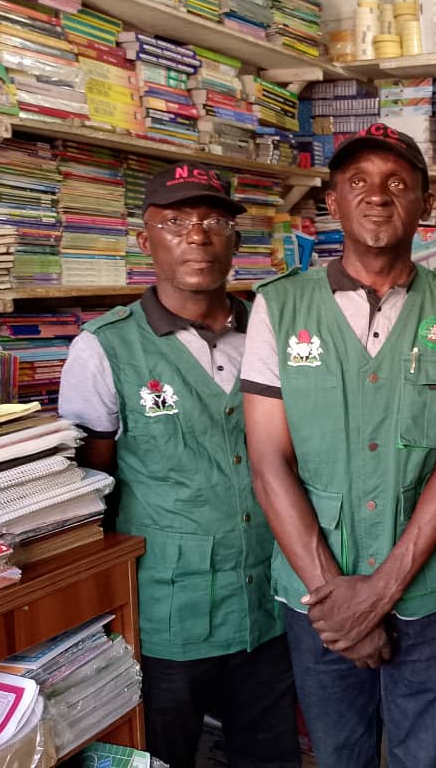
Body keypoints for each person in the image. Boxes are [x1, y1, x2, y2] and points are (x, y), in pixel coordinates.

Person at [240, 123, 436, 768]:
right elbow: (269, 464)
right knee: (338, 754)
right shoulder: (279, 308)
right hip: (315, 590)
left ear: (426, 204)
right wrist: (339, 606)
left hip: (427, 589)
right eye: (357, 181)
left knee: (425, 756)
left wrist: (380, 592)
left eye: (398, 183)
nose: (378, 196)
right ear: (332, 202)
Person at [58, 162, 300, 768]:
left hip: (271, 596)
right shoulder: (105, 347)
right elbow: (89, 488)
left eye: (214, 222)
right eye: (174, 223)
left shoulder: (275, 332)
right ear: (146, 241)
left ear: (235, 241)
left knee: (270, 752)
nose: (196, 236)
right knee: (164, 752)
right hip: (170, 609)